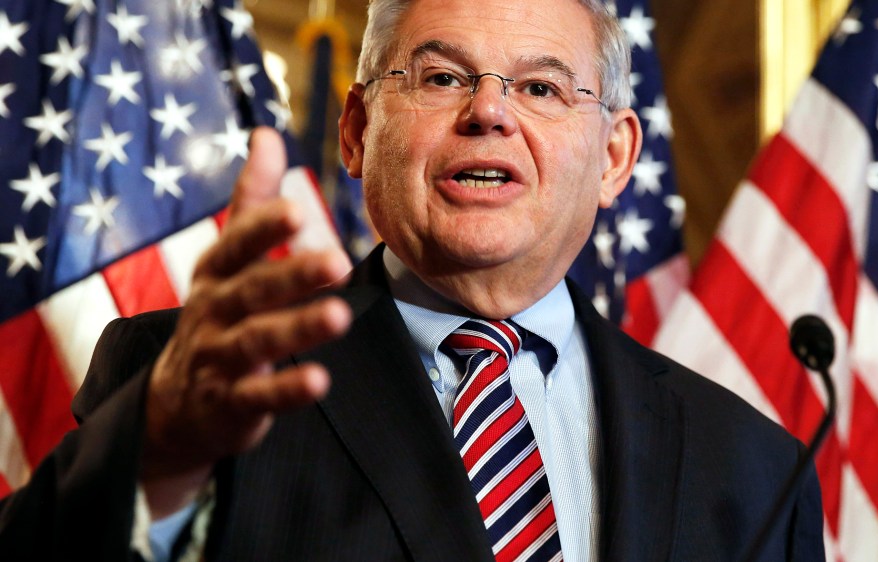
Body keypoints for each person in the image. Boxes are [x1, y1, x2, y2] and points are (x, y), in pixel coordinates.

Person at [0, 0, 824, 560]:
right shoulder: (191, 383)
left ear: (614, 158)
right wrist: (157, 457)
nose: (490, 112)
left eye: (539, 86)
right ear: (356, 130)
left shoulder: (753, 467)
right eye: (442, 78)